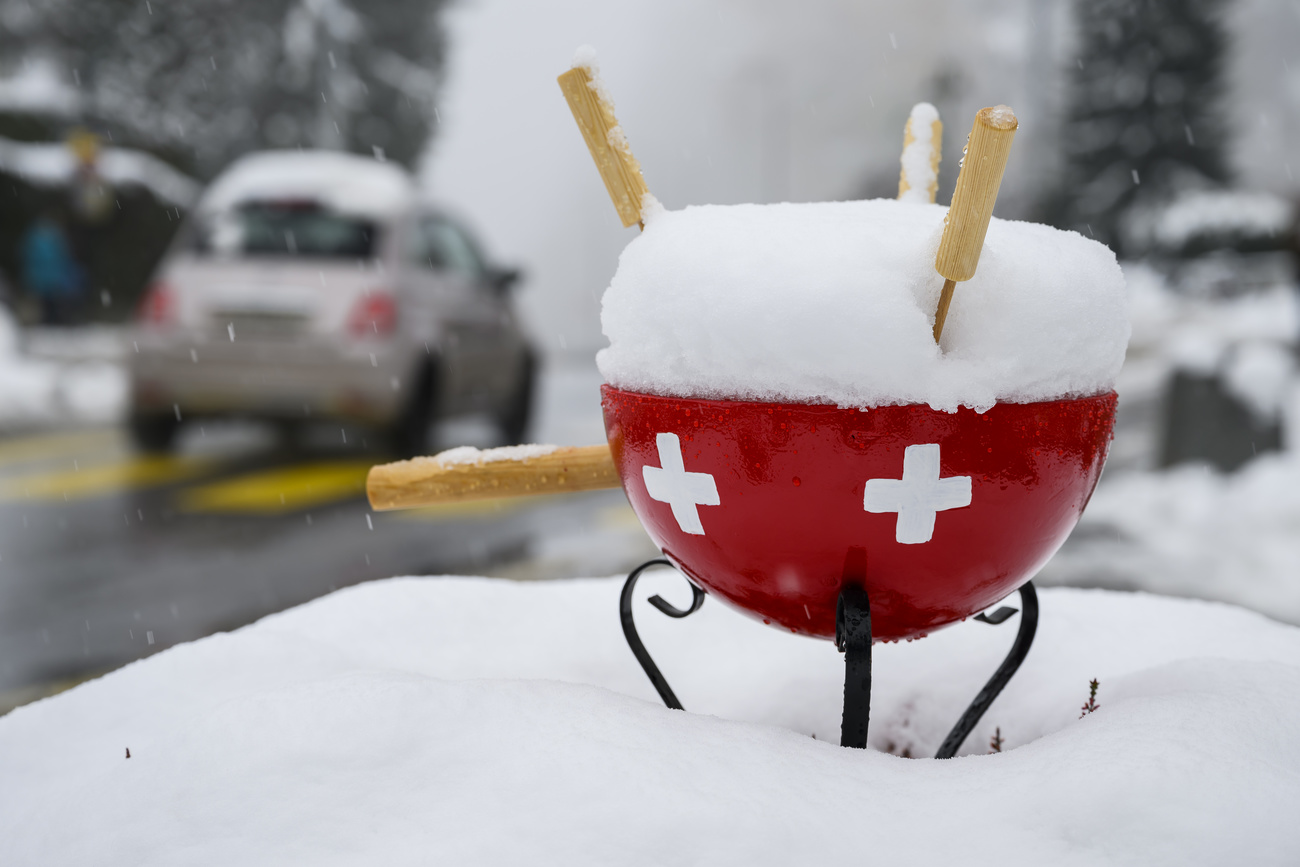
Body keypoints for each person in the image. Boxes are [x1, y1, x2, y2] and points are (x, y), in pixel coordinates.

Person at [20, 212, 83, 326]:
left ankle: (50, 321)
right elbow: (63, 257)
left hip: (45, 279)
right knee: (51, 302)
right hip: (50, 279)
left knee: (49, 303)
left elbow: (28, 258)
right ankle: (52, 320)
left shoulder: (36, 238)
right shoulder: (54, 237)